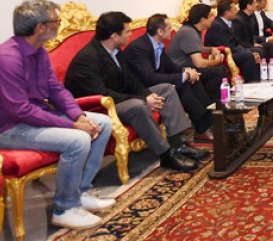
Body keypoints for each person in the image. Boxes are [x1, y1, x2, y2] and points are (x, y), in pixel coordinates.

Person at [0, 0, 115, 230]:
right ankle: (64, 208)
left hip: (33, 117)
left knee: (102, 122)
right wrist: (74, 127)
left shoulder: (39, 51)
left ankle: (80, 191)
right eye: (56, 20)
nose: (59, 24)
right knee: (78, 139)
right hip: (5, 128)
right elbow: (20, 110)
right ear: (40, 27)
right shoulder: (6, 58)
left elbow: (55, 89)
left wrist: (78, 116)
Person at [64, 11, 206, 173]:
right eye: (127, 31)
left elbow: (131, 80)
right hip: (99, 106)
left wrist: (147, 95)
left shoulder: (115, 51)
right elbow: (102, 93)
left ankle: (177, 144)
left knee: (165, 89)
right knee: (137, 106)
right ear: (114, 36)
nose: (130, 35)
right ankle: (166, 155)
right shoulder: (88, 58)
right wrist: (144, 99)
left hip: (118, 96)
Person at [124, 14, 221, 142]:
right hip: (143, 87)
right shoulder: (138, 48)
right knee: (182, 83)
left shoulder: (157, 44)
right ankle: (202, 129)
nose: (172, 30)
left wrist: (187, 71)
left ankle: (209, 123)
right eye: (169, 28)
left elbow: (170, 66)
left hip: (156, 81)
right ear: (160, 31)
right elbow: (149, 77)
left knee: (193, 79)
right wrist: (183, 76)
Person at [166, 3, 230, 83]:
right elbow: (199, 64)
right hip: (181, 70)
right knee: (219, 71)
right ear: (203, 20)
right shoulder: (189, 32)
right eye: (210, 16)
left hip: (188, 67)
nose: (213, 18)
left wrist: (210, 49)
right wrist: (217, 61)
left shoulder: (193, 29)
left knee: (222, 69)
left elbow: (196, 48)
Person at [205, 0, 262, 82]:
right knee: (249, 55)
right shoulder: (217, 25)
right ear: (226, 12)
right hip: (223, 54)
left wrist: (248, 50)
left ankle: (261, 80)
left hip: (232, 51)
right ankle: (252, 83)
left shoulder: (228, 22)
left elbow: (236, 42)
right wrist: (248, 52)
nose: (237, 11)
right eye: (234, 9)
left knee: (259, 51)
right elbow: (227, 46)